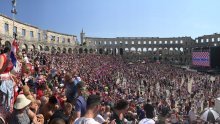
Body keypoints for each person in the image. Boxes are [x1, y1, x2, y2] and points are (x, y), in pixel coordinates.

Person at [0, 47, 14, 111]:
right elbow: (0, 70)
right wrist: (6, 64)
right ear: (8, 51)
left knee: (9, 97)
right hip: (2, 79)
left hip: (8, 78)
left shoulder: (9, 58)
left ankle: (7, 111)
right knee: (4, 97)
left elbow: (8, 71)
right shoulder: (2, 56)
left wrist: (11, 76)